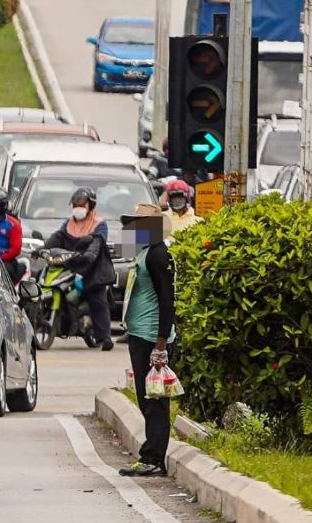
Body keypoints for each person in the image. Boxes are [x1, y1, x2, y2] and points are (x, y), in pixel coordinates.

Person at [118, 204, 176, 477]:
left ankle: (153, 458)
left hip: (152, 337)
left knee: (155, 400)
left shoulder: (159, 255)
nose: (135, 229)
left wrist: (160, 343)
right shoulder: (146, 252)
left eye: (140, 224)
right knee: (146, 397)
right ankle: (151, 453)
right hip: (140, 334)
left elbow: (167, 300)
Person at [42, 187, 116, 351]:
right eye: (76, 205)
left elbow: (97, 243)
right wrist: (43, 249)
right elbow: (57, 237)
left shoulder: (99, 224)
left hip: (92, 268)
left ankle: (105, 337)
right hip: (70, 264)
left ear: (90, 206)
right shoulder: (68, 223)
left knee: (97, 299)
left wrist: (89, 254)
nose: (78, 209)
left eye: (82, 205)